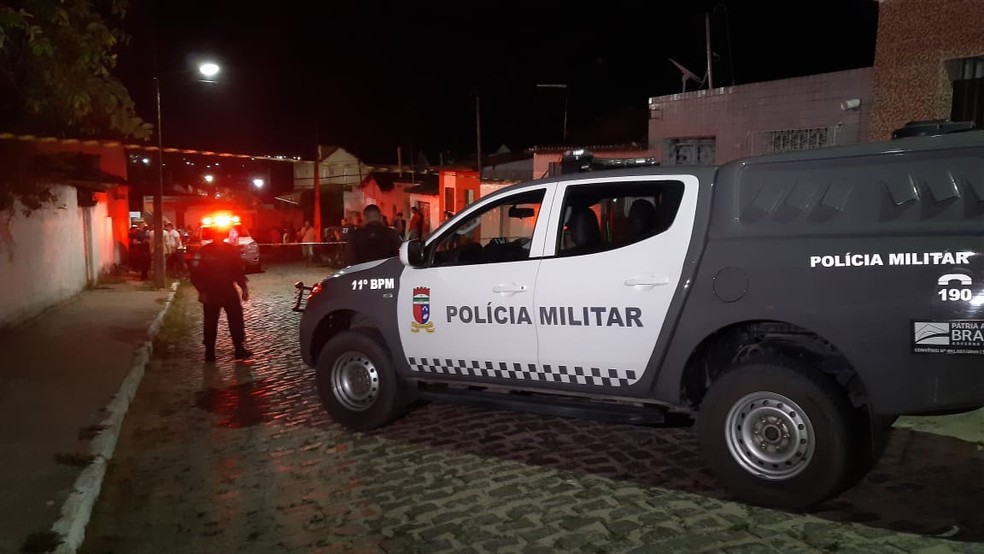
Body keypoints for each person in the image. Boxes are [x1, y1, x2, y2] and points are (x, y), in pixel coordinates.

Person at [189, 227, 252, 362]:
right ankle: (209, 352)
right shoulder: (204, 251)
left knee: (236, 320)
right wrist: (202, 291)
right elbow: (195, 274)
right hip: (210, 293)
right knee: (210, 323)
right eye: (216, 235)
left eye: (220, 234)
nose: (218, 237)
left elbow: (238, 271)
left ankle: (239, 348)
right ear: (213, 236)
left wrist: (244, 288)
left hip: (228, 291)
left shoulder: (230, 250)